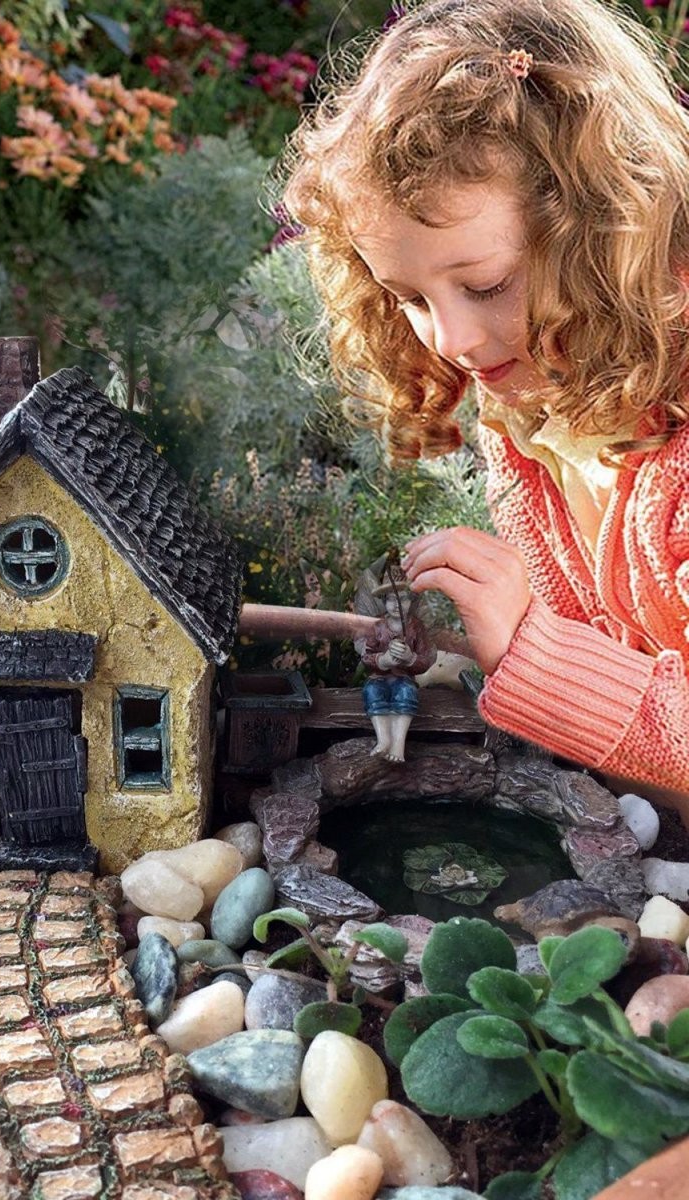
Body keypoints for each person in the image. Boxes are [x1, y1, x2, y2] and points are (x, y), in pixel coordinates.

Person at [279, 0, 689, 806]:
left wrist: (531, 653)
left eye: (485, 285)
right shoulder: (532, 403)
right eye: (408, 296)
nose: (451, 339)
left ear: (607, 231)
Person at [357, 565, 437, 762]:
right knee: (372, 692)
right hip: (379, 677)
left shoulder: (416, 628)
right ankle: (383, 740)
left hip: (404, 678)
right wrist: (382, 660)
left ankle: (398, 744)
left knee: (406, 694)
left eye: (402, 599)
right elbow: (367, 655)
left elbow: (425, 659)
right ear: (384, 601)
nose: (396, 605)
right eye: (391, 599)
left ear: (411, 601)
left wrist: (410, 658)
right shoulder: (377, 626)